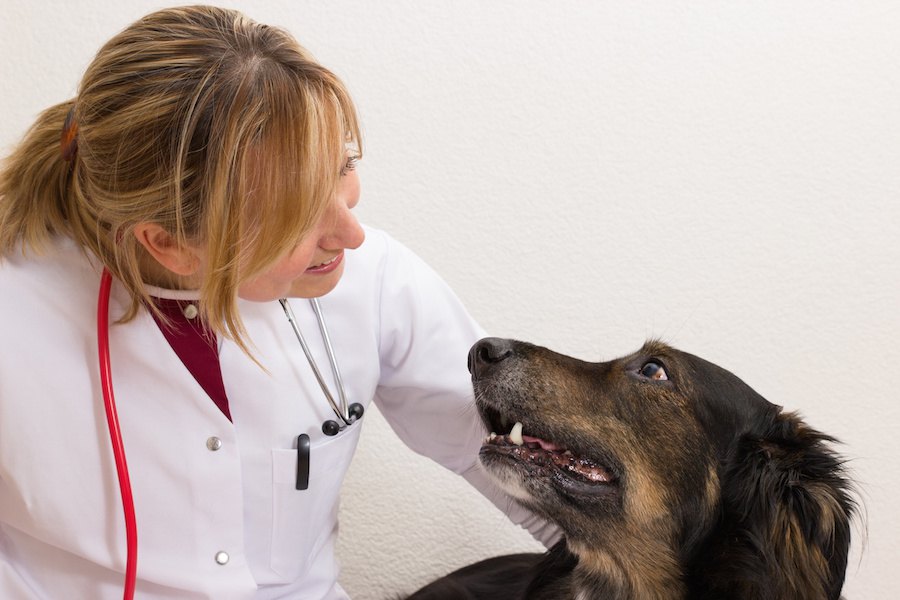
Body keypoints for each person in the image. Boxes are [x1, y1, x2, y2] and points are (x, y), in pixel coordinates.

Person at [0, 6, 557, 599]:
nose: (352, 234)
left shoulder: (375, 281)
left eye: (343, 169)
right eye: (294, 216)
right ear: (169, 243)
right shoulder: (16, 309)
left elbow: (538, 481)